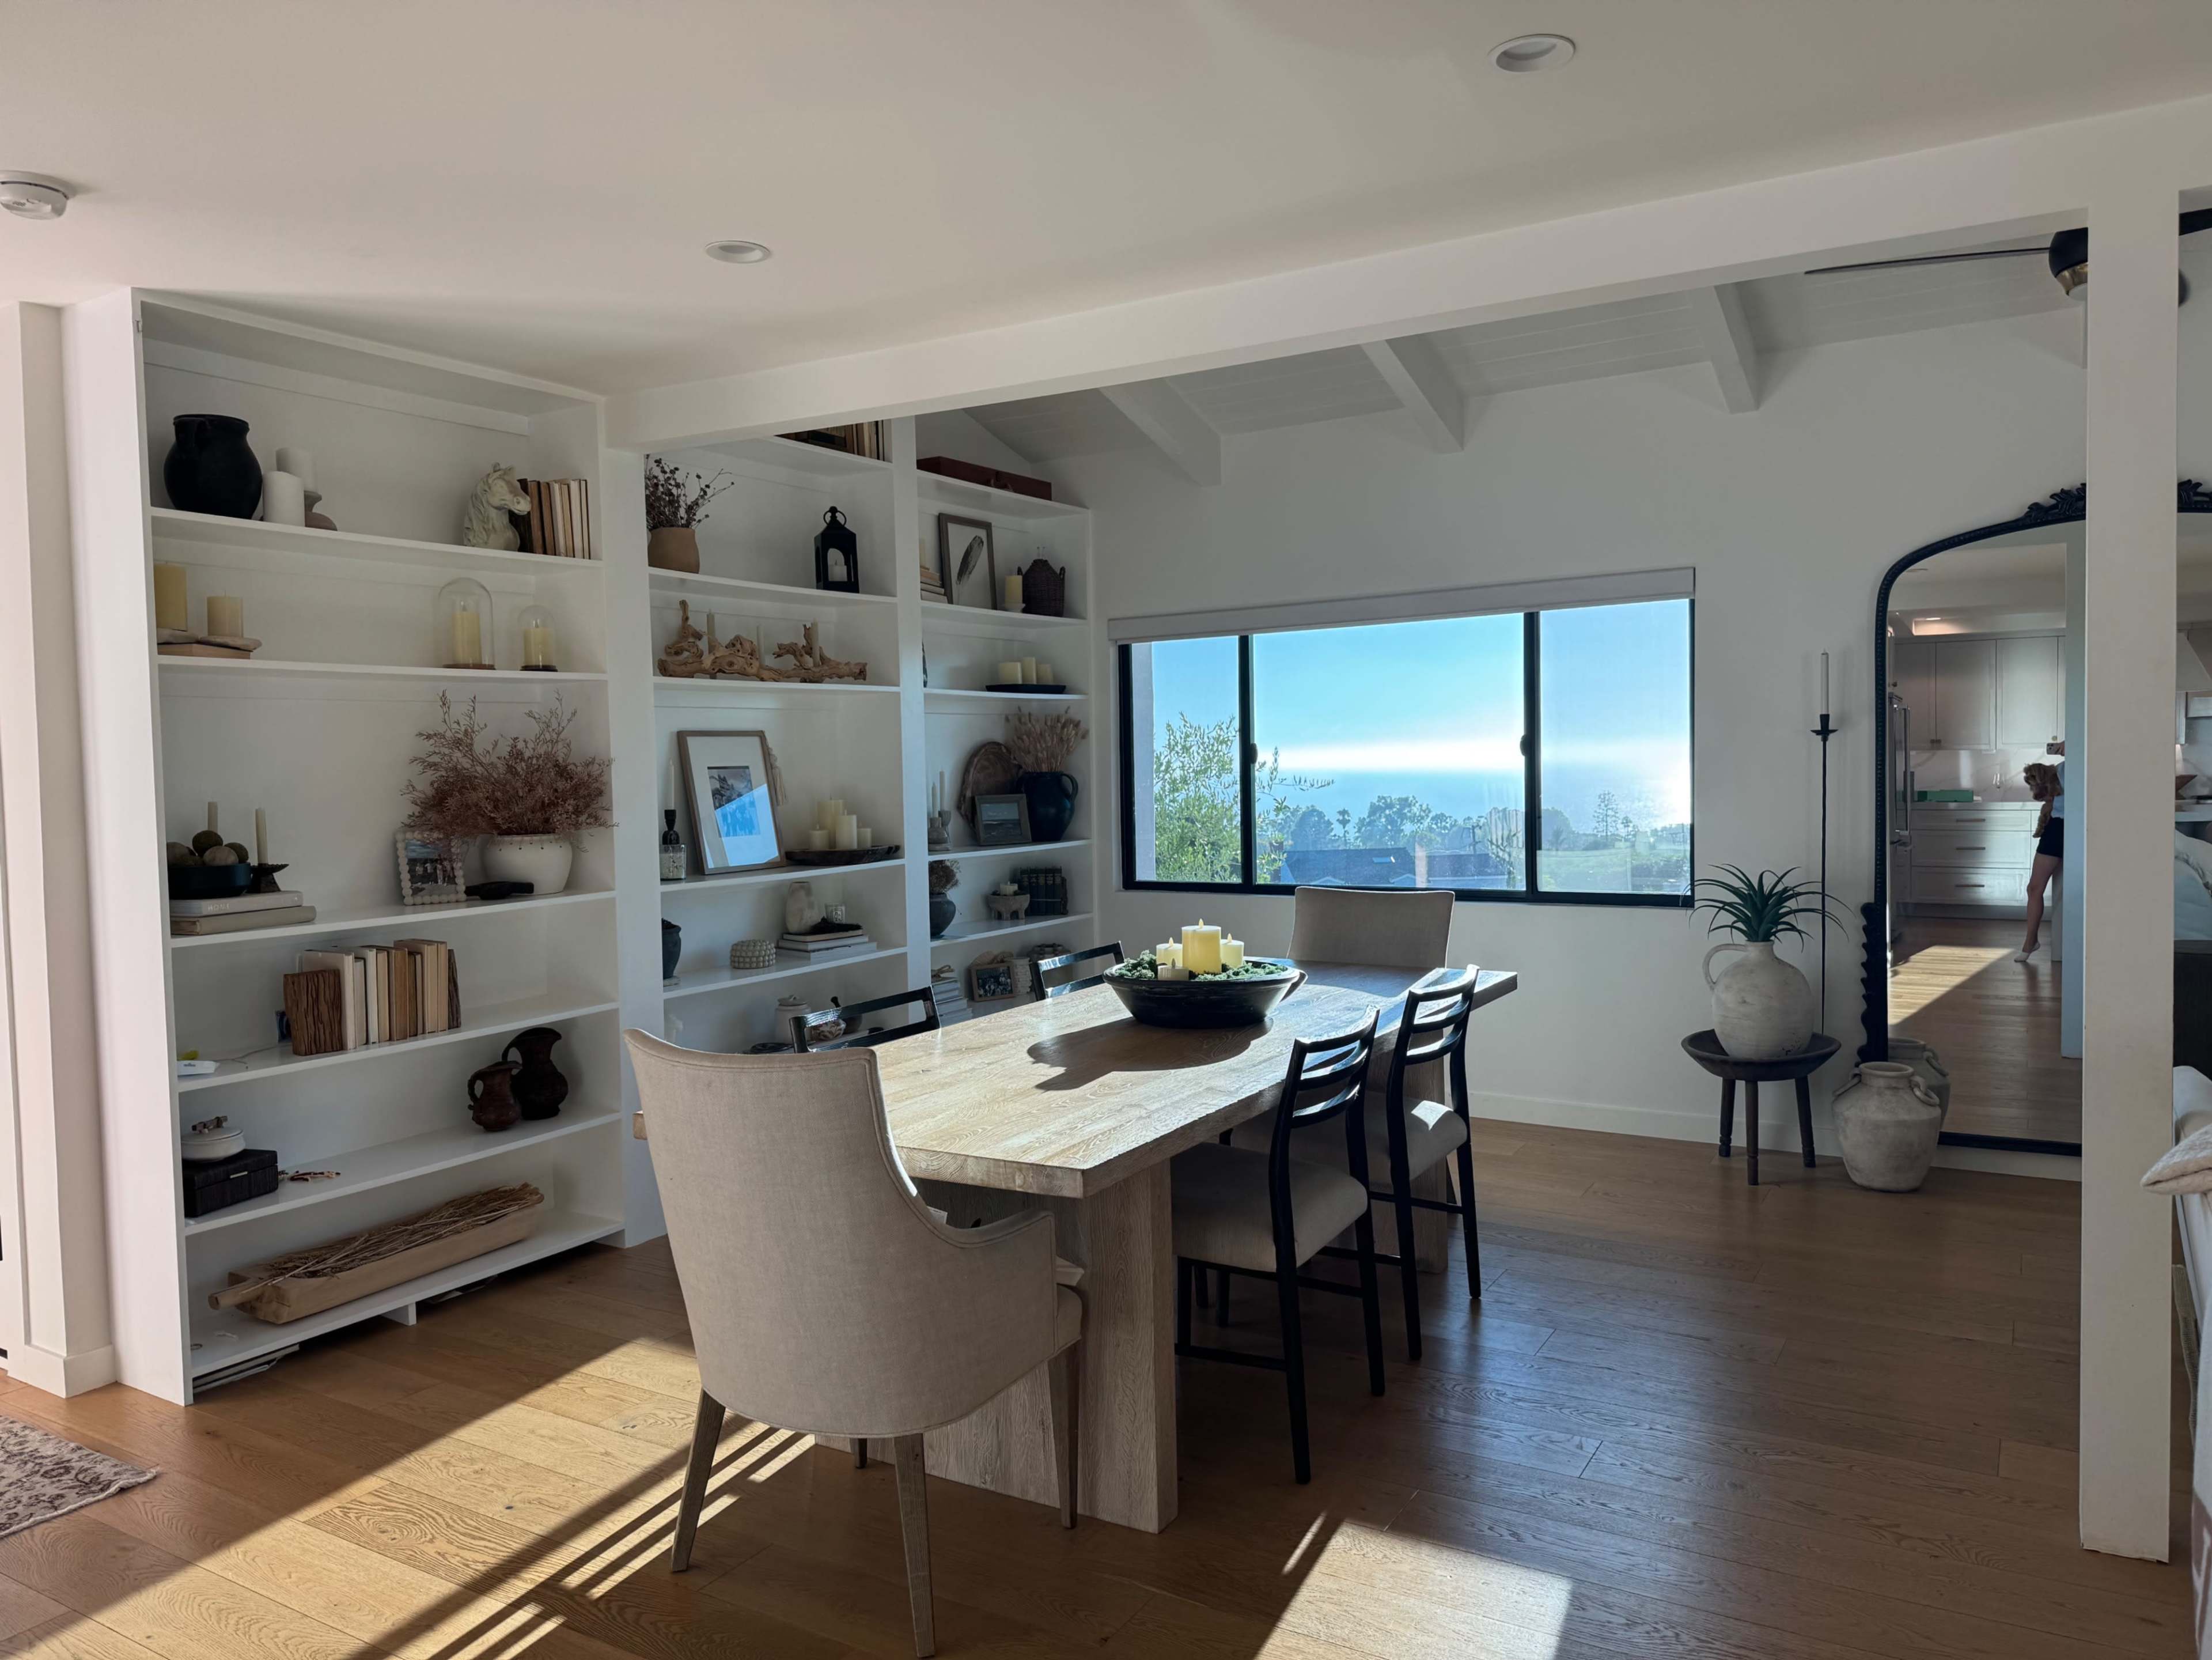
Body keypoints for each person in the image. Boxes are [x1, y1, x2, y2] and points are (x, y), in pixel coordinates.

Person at [2018, 748, 2063, 963]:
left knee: (2035, 888)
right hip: (2063, 828)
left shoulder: (2067, 769)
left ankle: (2030, 942)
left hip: (2060, 830)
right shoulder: (2065, 772)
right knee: (2039, 888)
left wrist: (2067, 744)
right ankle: (2031, 942)